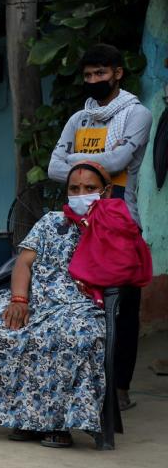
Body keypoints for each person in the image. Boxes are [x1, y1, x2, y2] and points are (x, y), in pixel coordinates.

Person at [0, 162, 148, 448]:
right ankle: (22, 418)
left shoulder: (115, 225)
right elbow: (23, 263)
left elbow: (123, 268)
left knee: (71, 335)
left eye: (90, 188)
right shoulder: (51, 221)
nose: (81, 194)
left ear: (107, 190)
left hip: (81, 304)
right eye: (74, 189)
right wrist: (19, 299)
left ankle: (60, 425)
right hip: (36, 298)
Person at [47, 43, 153, 411]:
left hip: (121, 220)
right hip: (78, 221)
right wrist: (96, 163)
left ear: (118, 73)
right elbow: (53, 168)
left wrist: (75, 162)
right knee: (76, 301)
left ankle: (120, 387)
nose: (94, 81)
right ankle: (80, 383)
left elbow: (121, 159)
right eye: (88, 75)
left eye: (101, 74)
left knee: (122, 309)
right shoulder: (79, 120)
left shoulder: (137, 114)